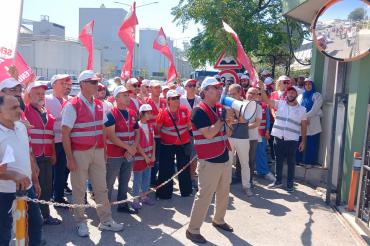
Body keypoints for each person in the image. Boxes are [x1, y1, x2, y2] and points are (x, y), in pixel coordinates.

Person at [62, 70, 123, 237]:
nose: (97, 85)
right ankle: (81, 222)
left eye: (97, 82)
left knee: (101, 188)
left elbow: (102, 128)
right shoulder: (72, 105)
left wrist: (103, 149)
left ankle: (106, 221)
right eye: (93, 82)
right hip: (79, 153)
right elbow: (65, 133)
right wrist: (70, 158)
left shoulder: (99, 104)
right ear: (82, 84)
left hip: (97, 151)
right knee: (79, 190)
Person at [186, 77, 234, 244]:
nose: (220, 90)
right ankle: (192, 230)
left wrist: (230, 120)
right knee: (204, 196)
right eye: (215, 88)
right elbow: (209, 133)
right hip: (209, 159)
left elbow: (227, 133)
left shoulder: (218, 108)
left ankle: (219, 219)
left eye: (220, 88)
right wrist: (222, 120)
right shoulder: (198, 111)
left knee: (223, 192)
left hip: (224, 155)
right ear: (206, 91)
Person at [0, 95, 43, 246]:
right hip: (3, 194)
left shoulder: (21, 127)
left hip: (27, 189)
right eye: (13, 108)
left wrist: (35, 181)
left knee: (36, 224)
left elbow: (27, 154)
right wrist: (13, 175)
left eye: (19, 106)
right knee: (3, 233)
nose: (19, 110)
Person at [259, 80, 307, 193]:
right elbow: (266, 100)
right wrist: (261, 88)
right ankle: (278, 181)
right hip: (278, 137)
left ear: (296, 95)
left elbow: (304, 127)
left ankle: (290, 183)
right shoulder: (280, 103)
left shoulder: (302, 110)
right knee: (278, 160)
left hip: (292, 140)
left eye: (293, 93)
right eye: (289, 92)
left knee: (291, 162)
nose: (290, 94)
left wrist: (303, 141)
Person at [25, 81, 62, 226]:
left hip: (46, 156)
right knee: (35, 189)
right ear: (29, 96)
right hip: (33, 157)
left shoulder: (47, 113)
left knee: (47, 188)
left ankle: (45, 216)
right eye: (37, 94)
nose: (41, 96)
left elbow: (51, 136)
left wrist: (53, 153)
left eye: (42, 94)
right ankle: (33, 218)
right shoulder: (24, 111)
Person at [105, 85, 140, 214]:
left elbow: (137, 132)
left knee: (125, 180)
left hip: (129, 153)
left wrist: (133, 147)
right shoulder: (111, 113)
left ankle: (123, 204)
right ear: (117, 98)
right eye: (125, 95)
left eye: (128, 95)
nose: (128, 98)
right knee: (109, 181)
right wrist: (129, 148)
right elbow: (111, 136)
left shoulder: (132, 112)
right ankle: (105, 207)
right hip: (114, 154)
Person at [155, 90, 193, 199]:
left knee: (184, 168)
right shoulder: (162, 113)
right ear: (168, 101)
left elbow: (189, 125)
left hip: (183, 144)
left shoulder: (185, 110)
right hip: (167, 145)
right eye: (173, 98)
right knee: (166, 169)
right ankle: (164, 194)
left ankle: (186, 191)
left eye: (177, 98)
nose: (177, 100)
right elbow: (157, 129)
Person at [45, 74, 72, 205]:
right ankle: (47, 195)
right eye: (62, 83)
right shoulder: (47, 99)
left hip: (64, 142)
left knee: (61, 170)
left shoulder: (68, 101)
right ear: (54, 84)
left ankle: (59, 196)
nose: (65, 86)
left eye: (66, 83)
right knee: (50, 172)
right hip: (51, 143)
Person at [227, 84, 253, 196]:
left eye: (234, 94)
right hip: (230, 137)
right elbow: (228, 119)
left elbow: (244, 120)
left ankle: (246, 186)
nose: (231, 96)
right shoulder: (228, 103)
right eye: (230, 93)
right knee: (227, 163)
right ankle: (226, 185)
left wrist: (234, 112)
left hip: (243, 138)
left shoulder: (247, 104)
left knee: (244, 163)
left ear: (240, 93)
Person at [132, 104, 156, 209]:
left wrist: (153, 155)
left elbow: (153, 141)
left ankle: (144, 196)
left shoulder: (150, 125)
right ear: (142, 114)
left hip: (149, 156)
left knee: (147, 177)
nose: (150, 114)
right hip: (139, 157)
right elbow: (137, 144)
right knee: (137, 179)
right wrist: (145, 156)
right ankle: (135, 199)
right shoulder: (137, 126)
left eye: (151, 112)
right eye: (148, 112)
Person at [179, 79, 202, 190]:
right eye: (190, 85)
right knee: (184, 156)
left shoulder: (200, 99)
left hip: (196, 133)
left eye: (194, 85)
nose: (192, 87)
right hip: (183, 133)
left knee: (193, 157)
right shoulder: (180, 99)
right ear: (185, 87)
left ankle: (192, 178)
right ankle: (184, 178)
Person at [145, 80, 167, 186]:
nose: (158, 89)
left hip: (163, 135)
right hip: (151, 135)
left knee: (160, 159)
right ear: (150, 89)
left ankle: (155, 179)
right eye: (155, 87)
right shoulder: (146, 101)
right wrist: (158, 116)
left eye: (159, 87)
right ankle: (150, 180)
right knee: (152, 159)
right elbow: (144, 117)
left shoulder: (164, 101)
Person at [297, 78, 323, 166]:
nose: (308, 86)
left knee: (312, 143)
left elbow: (315, 108)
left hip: (313, 122)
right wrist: (302, 118)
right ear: (304, 86)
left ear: (312, 85)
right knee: (300, 141)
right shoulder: (301, 96)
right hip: (302, 122)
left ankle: (309, 162)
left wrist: (306, 116)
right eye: (306, 84)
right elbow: (298, 108)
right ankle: (298, 160)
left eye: (309, 84)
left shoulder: (317, 95)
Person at [255, 86, 276, 182]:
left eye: (260, 94)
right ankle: (256, 170)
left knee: (262, 152)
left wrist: (267, 130)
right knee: (251, 153)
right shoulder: (248, 104)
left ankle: (264, 171)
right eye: (257, 94)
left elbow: (268, 119)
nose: (258, 95)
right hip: (250, 134)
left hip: (262, 134)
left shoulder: (265, 105)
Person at [246, 87, 262, 188]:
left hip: (252, 137)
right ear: (246, 93)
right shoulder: (240, 104)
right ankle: (239, 176)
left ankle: (250, 179)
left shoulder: (258, 107)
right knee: (240, 159)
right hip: (240, 137)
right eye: (250, 93)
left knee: (250, 159)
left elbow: (257, 123)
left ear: (257, 96)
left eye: (254, 94)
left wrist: (242, 127)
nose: (251, 95)